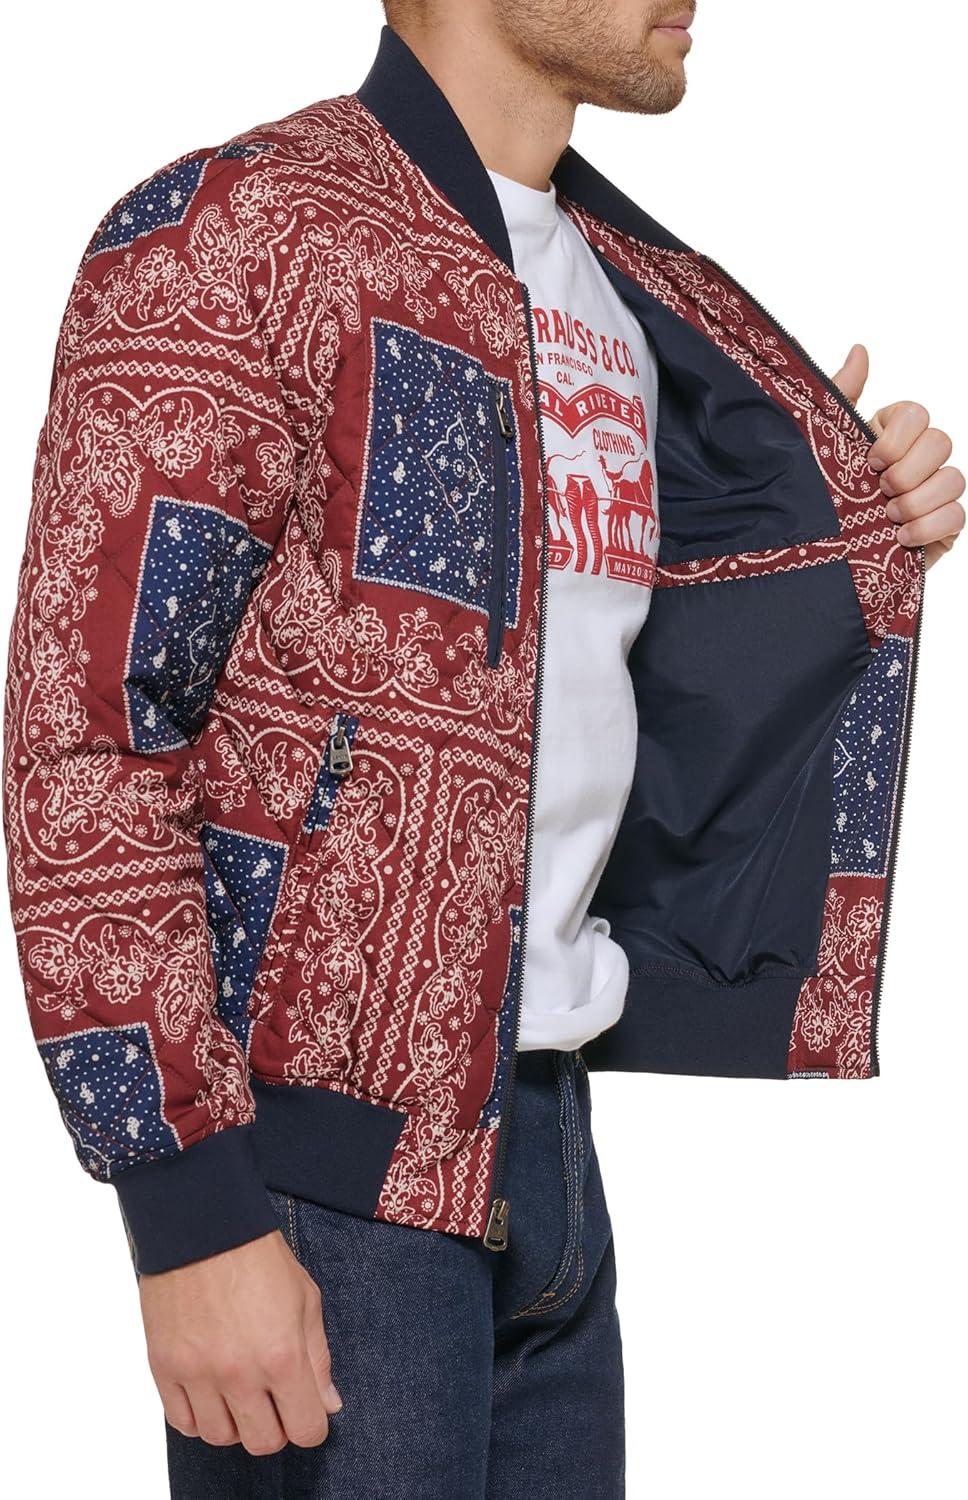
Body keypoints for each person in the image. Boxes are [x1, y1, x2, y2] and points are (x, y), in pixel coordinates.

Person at [3, 4, 963, 1496]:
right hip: (321, 1180)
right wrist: (186, 1207)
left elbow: (600, 678)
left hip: (550, 1156)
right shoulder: (239, 231)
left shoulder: (628, 292)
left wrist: (847, 523)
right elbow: (90, 741)